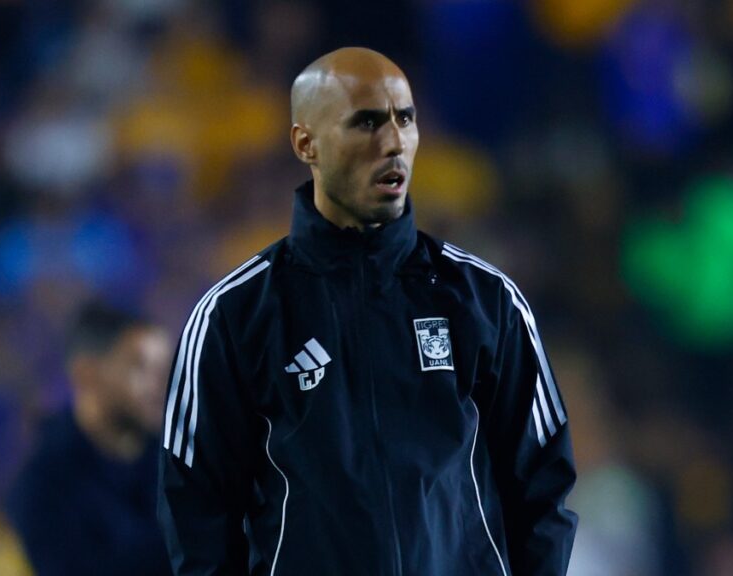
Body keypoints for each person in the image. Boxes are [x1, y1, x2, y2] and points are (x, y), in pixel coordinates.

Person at [158, 47, 577, 576]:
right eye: (366, 123)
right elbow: (195, 511)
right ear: (305, 143)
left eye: (405, 119)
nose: (394, 143)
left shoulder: (485, 300)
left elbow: (542, 486)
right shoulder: (234, 316)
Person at [7, 301, 174, 575]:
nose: (157, 382)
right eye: (137, 367)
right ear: (87, 374)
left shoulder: (182, 455)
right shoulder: (43, 485)